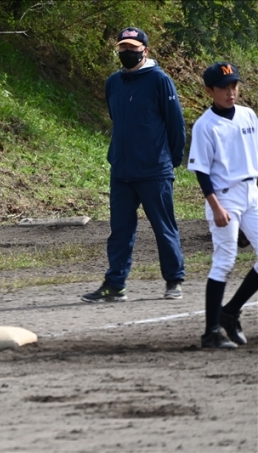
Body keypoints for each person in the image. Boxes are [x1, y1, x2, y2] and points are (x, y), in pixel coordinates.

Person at [82, 27, 186, 303]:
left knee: (164, 228)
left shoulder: (160, 80)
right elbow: (117, 119)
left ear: (145, 50)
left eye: (132, 48)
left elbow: (176, 125)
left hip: (154, 170)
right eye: (123, 48)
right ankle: (115, 285)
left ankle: (174, 280)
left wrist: (170, 161)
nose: (127, 52)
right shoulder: (113, 83)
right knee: (119, 232)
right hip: (122, 170)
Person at [187, 62, 258, 349]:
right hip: (224, 197)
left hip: (252, 193)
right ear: (209, 91)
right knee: (225, 262)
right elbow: (201, 171)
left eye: (234, 86)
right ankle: (211, 333)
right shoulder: (205, 125)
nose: (231, 92)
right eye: (224, 88)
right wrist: (215, 207)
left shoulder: (248, 115)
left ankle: (230, 311)